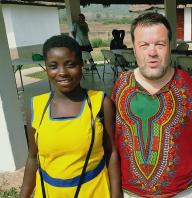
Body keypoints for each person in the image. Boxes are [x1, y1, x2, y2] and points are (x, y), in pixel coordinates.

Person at [111, 12, 192, 197]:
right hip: (131, 193)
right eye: (144, 45)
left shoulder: (186, 83)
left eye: (160, 44)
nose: (152, 52)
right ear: (134, 50)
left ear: (170, 47)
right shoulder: (121, 85)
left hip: (186, 192)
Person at [20, 35, 121, 198]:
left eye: (70, 64)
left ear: (82, 65)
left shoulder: (100, 103)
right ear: (46, 69)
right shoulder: (35, 106)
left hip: (94, 191)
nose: (62, 73)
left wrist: (116, 195)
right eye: (53, 66)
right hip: (49, 192)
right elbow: (33, 157)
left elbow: (111, 153)